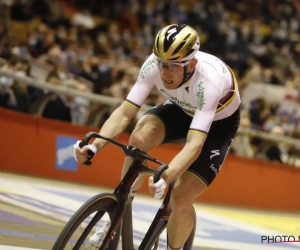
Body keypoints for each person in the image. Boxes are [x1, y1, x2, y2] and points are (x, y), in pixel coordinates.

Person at [74, 23, 241, 250]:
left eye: (173, 66)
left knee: (180, 198)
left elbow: (195, 145)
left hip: (217, 123)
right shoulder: (153, 64)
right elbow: (125, 112)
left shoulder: (208, 82)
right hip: (182, 108)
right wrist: (94, 146)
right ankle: (119, 210)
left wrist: (167, 176)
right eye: (162, 64)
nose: (165, 72)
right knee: (140, 136)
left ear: (191, 64)